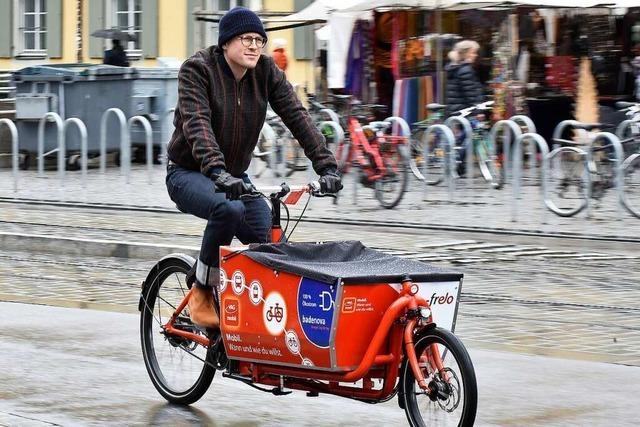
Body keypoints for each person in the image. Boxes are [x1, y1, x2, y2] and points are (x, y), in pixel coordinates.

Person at [165, 7, 342, 329]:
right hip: (188, 172)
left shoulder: (265, 71)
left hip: (234, 176)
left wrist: (327, 166)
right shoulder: (198, 69)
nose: (254, 46)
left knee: (273, 248)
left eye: (259, 40)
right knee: (227, 210)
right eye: (246, 39)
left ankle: (260, 324)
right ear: (226, 42)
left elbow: (297, 116)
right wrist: (217, 170)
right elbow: (197, 124)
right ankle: (202, 289)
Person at [445, 40, 484, 114]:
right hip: (465, 113)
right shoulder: (465, 70)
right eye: (473, 53)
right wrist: (478, 112)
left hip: (456, 111)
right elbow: (471, 95)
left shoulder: (455, 67)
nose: (476, 55)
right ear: (465, 54)